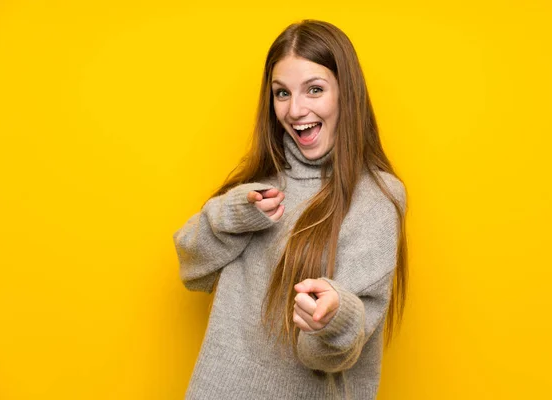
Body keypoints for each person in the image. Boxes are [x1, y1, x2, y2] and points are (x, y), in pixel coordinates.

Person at [172, 19, 408, 400]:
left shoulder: (377, 197)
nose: (295, 110)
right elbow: (192, 269)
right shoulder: (263, 180)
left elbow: (329, 356)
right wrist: (231, 213)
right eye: (282, 93)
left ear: (347, 94)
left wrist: (333, 319)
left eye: (314, 90)